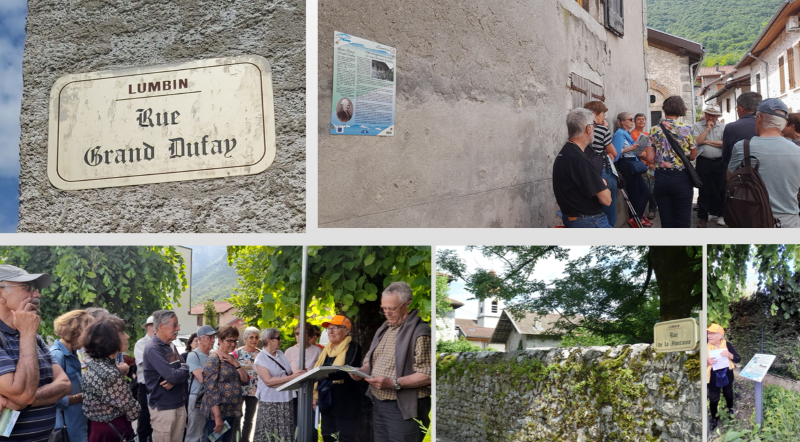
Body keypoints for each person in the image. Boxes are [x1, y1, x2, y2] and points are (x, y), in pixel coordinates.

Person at [350, 282, 432, 442]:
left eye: (392, 308)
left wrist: (394, 383)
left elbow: (428, 374)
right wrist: (361, 371)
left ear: (407, 304)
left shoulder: (421, 332)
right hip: (379, 402)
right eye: (384, 308)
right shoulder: (385, 328)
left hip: (404, 408)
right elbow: (371, 360)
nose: (387, 313)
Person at [0, 265, 71, 442]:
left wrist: (20, 402)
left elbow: (64, 384)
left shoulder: (34, 337)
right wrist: (27, 333)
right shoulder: (29, 334)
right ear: (1, 294)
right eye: (28, 288)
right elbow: (22, 393)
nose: (37, 295)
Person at [728, 98, 800, 227]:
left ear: (759, 118)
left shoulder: (742, 147)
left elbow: (730, 178)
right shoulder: (797, 151)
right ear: (784, 123)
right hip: (789, 222)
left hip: (751, 218)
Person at [81, 316, 141, 441]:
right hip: (113, 432)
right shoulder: (110, 373)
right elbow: (134, 411)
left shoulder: (94, 365)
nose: (127, 337)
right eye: (123, 333)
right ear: (111, 339)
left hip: (99, 430)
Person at [552, 108, 613, 228]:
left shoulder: (565, 152)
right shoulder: (581, 160)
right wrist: (604, 184)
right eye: (594, 125)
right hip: (589, 221)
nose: (594, 129)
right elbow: (606, 200)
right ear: (588, 128)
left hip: (575, 219)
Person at [646, 96, 698, 228]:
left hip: (661, 177)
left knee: (666, 222)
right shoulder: (688, 128)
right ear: (681, 109)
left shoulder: (654, 130)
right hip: (681, 177)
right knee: (683, 221)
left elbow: (650, 159)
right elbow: (693, 155)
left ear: (665, 109)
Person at [313, 315, 364, 442]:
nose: (330, 331)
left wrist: (326, 374)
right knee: (327, 436)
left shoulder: (353, 347)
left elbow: (349, 369)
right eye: (328, 329)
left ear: (346, 331)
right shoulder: (327, 350)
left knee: (345, 438)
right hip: (327, 400)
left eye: (335, 328)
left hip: (346, 403)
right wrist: (314, 395)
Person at [143, 310, 190, 442]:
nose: (178, 328)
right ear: (161, 327)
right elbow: (173, 376)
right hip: (164, 409)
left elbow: (184, 368)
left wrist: (176, 377)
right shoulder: (153, 348)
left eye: (177, 325)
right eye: (174, 325)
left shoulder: (171, 345)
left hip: (179, 405)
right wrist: (176, 376)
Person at [253, 328, 307, 442]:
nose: (280, 340)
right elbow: (268, 381)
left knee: (285, 433)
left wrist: (298, 374)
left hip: (286, 399)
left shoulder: (281, 353)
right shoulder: (260, 358)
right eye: (278, 338)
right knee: (270, 433)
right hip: (270, 402)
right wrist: (292, 377)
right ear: (269, 340)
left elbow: (287, 373)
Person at [50, 310, 93, 442]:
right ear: (77, 332)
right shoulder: (57, 355)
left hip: (78, 425)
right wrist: (77, 398)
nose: (89, 338)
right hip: (67, 429)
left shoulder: (73, 354)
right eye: (88, 333)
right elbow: (51, 397)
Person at [200, 325, 248, 442]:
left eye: (235, 340)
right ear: (220, 340)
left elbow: (245, 380)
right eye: (229, 340)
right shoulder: (213, 359)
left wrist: (235, 363)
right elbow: (211, 390)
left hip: (231, 411)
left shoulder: (231, 358)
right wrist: (217, 417)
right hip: (219, 414)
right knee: (215, 440)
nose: (233, 344)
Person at [613, 112, 651, 227]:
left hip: (633, 163)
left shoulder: (626, 133)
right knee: (635, 194)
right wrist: (630, 148)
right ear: (623, 122)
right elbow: (615, 154)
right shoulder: (619, 134)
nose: (632, 121)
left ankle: (636, 218)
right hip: (626, 164)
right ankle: (635, 219)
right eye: (630, 119)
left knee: (644, 192)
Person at [584, 101, 619, 226]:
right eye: (603, 114)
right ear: (594, 114)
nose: (604, 117)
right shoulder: (602, 129)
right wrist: (605, 129)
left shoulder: (579, 130)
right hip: (603, 171)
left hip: (587, 173)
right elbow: (613, 153)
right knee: (609, 212)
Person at [693, 105, 727, 228]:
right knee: (703, 190)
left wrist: (705, 141)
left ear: (718, 116)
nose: (711, 117)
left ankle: (721, 214)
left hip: (719, 161)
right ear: (705, 114)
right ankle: (703, 218)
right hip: (703, 161)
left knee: (721, 189)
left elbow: (724, 144)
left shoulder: (724, 127)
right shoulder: (697, 126)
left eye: (714, 115)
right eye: (709, 114)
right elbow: (696, 141)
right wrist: (707, 129)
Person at [707, 323, 741, 431]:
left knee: (728, 394)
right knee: (713, 399)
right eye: (708, 333)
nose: (709, 336)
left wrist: (729, 355)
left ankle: (730, 409)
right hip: (712, 378)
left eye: (712, 334)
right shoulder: (704, 346)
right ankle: (714, 418)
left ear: (720, 335)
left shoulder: (727, 345)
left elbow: (737, 358)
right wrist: (706, 362)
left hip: (727, 374)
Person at [185, 325, 216, 442]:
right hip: (198, 398)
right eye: (209, 338)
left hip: (212, 398)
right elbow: (203, 379)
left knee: (207, 434)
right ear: (199, 339)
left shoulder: (213, 355)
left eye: (213, 337)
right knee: (194, 434)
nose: (213, 340)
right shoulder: (193, 355)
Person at [233, 327, 261, 442]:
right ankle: (236, 439)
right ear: (245, 339)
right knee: (237, 417)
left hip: (253, 390)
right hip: (239, 389)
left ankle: (245, 440)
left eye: (256, 337)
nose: (254, 340)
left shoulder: (260, 354)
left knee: (249, 419)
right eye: (251, 337)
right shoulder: (237, 353)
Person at [134, 315, 155, 442]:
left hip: (159, 387)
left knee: (157, 423)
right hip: (146, 387)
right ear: (150, 328)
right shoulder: (141, 344)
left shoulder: (165, 344)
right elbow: (148, 364)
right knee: (145, 423)